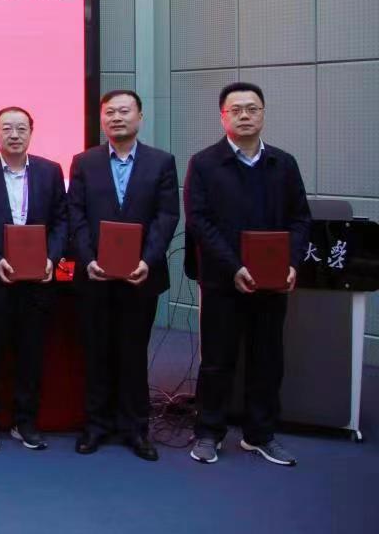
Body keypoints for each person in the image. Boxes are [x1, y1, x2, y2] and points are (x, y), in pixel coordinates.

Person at [185, 82, 310, 467]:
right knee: (217, 360)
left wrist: (292, 263)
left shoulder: (283, 164)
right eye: (235, 110)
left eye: (252, 109)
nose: (244, 116)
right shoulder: (204, 163)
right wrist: (234, 267)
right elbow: (200, 222)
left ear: (263, 114)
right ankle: (209, 433)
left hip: (272, 282)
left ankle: (260, 435)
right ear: (222, 116)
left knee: (267, 359)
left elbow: (300, 218)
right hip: (223, 281)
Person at [68, 89, 179, 461]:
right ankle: (95, 426)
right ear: (102, 120)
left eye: (124, 111)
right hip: (94, 276)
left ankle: (136, 428)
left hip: (141, 277)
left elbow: (167, 216)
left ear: (140, 117)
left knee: (133, 353)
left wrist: (147, 259)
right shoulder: (84, 162)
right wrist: (87, 259)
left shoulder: (161, 162)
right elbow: (75, 215)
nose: (117, 117)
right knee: (96, 352)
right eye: (110, 112)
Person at [0, 106, 68, 452]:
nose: (14, 135)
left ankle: (26, 422)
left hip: (36, 284)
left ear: (31, 133)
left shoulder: (50, 172)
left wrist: (52, 258)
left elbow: (62, 220)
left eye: (21, 128)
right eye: (7, 128)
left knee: (31, 357)